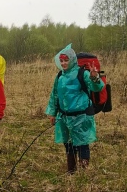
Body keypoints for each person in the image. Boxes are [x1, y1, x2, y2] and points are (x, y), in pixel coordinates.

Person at [45, 44, 105, 173]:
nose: (63, 63)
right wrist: (52, 113)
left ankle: (84, 172)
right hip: (64, 117)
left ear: (72, 60)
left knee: (82, 143)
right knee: (68, 144)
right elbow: (54, 95)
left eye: (66, 60)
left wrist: (94, 78)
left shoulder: (82, 73)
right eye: (61, 61)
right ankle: (71, 171)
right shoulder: (60, 76)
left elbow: (97, 87)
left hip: (81, 117)